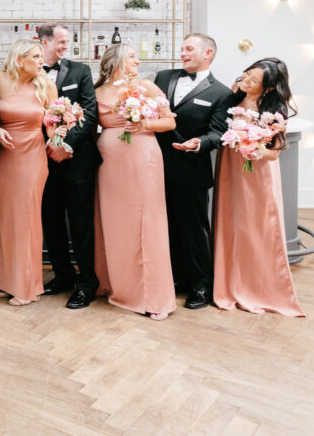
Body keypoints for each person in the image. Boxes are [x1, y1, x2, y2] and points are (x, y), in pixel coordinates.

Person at [212, 58, 303, 316]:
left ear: (269, 89)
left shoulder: (273, 109)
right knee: (232, 224)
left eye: (254, 81)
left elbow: (274, 154)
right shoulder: (233, 94)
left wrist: (256, 149)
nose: (246, 81)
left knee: (257, 227)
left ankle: (259, 286)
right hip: (230, 166)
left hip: (257, 172)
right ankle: (230, 283)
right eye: (247, 75)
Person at [94, 45, 177, 320]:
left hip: (143, 158)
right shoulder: (97, 91)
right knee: (115, 222)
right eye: (131, 56)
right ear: (116, 60)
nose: (137, 61)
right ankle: (115, 284)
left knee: (147, 222)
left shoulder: (147, 87)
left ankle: (154, 296)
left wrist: (144, 125)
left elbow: (169, 122)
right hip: (109, 164)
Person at [153, 33, 233, 309]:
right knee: (165, 225)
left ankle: (201, 285)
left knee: (194, 229)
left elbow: (218, 132)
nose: (183, 54)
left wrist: (199, 143)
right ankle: (175, 278)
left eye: (189, 49)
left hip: (191, 170)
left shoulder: (222, 93)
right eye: (182, 49)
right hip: (154, 166)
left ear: (208, 53)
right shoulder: (163, 77)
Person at [36, 23, 101, 309]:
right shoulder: (30, 72)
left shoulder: (80, 71)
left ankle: (87, 282)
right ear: (44, 42)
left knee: (80, 222)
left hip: (77, 161)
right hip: (40, 161)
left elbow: (89, 111)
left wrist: (65, 145)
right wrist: (47, 148)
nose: (66, 46)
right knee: (51, 221)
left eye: (68, 42)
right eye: (61, 42)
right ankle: (63, 276)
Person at [0, 40, 56, 306]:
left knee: (27, 218)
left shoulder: (46, 84)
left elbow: (54, 122)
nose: (42, 61)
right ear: (20, 59)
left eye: (41, 56)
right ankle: (8, 281)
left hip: (32, 157)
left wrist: (59, 135)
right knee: (6, 218)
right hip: (4, 157)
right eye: (36, 56)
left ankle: (26, 286)